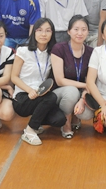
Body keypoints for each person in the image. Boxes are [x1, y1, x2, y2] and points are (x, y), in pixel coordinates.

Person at [11, 18, 67, 146]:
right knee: (51, 98)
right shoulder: (23, 51)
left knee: (60, 120)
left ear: (52, 33)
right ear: (34, 32)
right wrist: (29, 90)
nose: (43, 34)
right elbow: (14, 77)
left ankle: (35, 123)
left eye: (48, 31)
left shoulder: (53, 54)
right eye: (40, 30)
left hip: (42, 95)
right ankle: (30, 130)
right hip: (23, 96)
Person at [50, 15, 95, 138]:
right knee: (71, 91)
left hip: (81, 90)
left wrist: (82, 99)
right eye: (76, 29)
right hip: (61, 91)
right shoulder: (59, 48)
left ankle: (75, 116)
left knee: (86, 114)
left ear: (88, 32)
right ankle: (66, 122)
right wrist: (85, 85)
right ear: (68, 31)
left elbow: (91, 81)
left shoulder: (91, 52)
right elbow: (60, 80)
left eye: (83, 29)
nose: (80, 33)